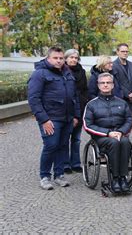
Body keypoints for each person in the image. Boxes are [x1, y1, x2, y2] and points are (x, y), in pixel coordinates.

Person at [27, 46, 80, 190]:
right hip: (51, 118)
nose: (58, 61)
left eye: (61, 58)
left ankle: (59, 174)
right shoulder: (39, 74)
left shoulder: (67, 72)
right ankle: (45, 177)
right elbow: (33, 99)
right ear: (48, 58)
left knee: (63, 146)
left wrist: (76, 115)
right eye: (55, 58)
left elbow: (74, 96)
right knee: (51, 146)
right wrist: (44, 120)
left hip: (68, 117)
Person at [83, 72, 132, 193]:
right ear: (98, 85)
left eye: (108, 83)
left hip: (119, 135)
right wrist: (108, 133)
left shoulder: (122, 103)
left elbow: (129, 120)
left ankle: (123, 177)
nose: (105, 85)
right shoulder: (91, 104)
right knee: (114, 143)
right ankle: (115, 178)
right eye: (102, 83)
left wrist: (121, 132)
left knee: (126, 142)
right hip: (101, 138)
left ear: (113, 85)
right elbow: (87, 125)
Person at [63, 49, 88, 174]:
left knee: (76, 139)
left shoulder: (81, 71)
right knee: (65, 138)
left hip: (80, 107)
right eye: (71, 57)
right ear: (66, 58)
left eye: (76, 58)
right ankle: (65, 164)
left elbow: (85, 90)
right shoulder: (62, 71)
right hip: (67, 109)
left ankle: (76, 163)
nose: (73, 60)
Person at [113, 43, 132, 115]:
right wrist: (127, 95)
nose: (125, 53)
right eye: (123, 51)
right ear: (117, 52)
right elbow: (116, 83)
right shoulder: (113, 65)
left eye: (127, 51)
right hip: (121, 99)